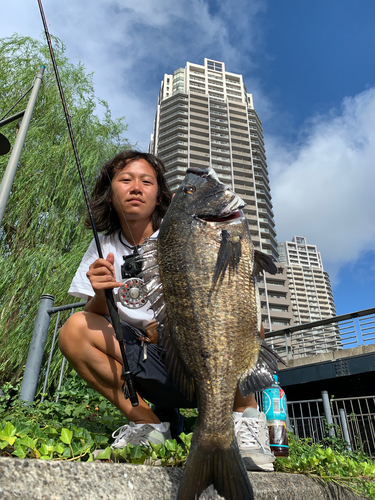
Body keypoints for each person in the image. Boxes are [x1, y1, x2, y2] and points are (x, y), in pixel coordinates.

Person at [59, 150, 275, 471]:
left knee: (237, 312)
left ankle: (245, 420)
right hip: (150, 365)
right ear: (110, 191)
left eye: (146, 181)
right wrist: (101, 293)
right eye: (125, 180)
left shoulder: (186, 232)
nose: (136, 188)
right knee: (74, 329)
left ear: (161, 195)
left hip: (203, 358)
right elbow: (97, 317)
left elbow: (234, 286)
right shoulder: (102, 245)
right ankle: (148, 425)